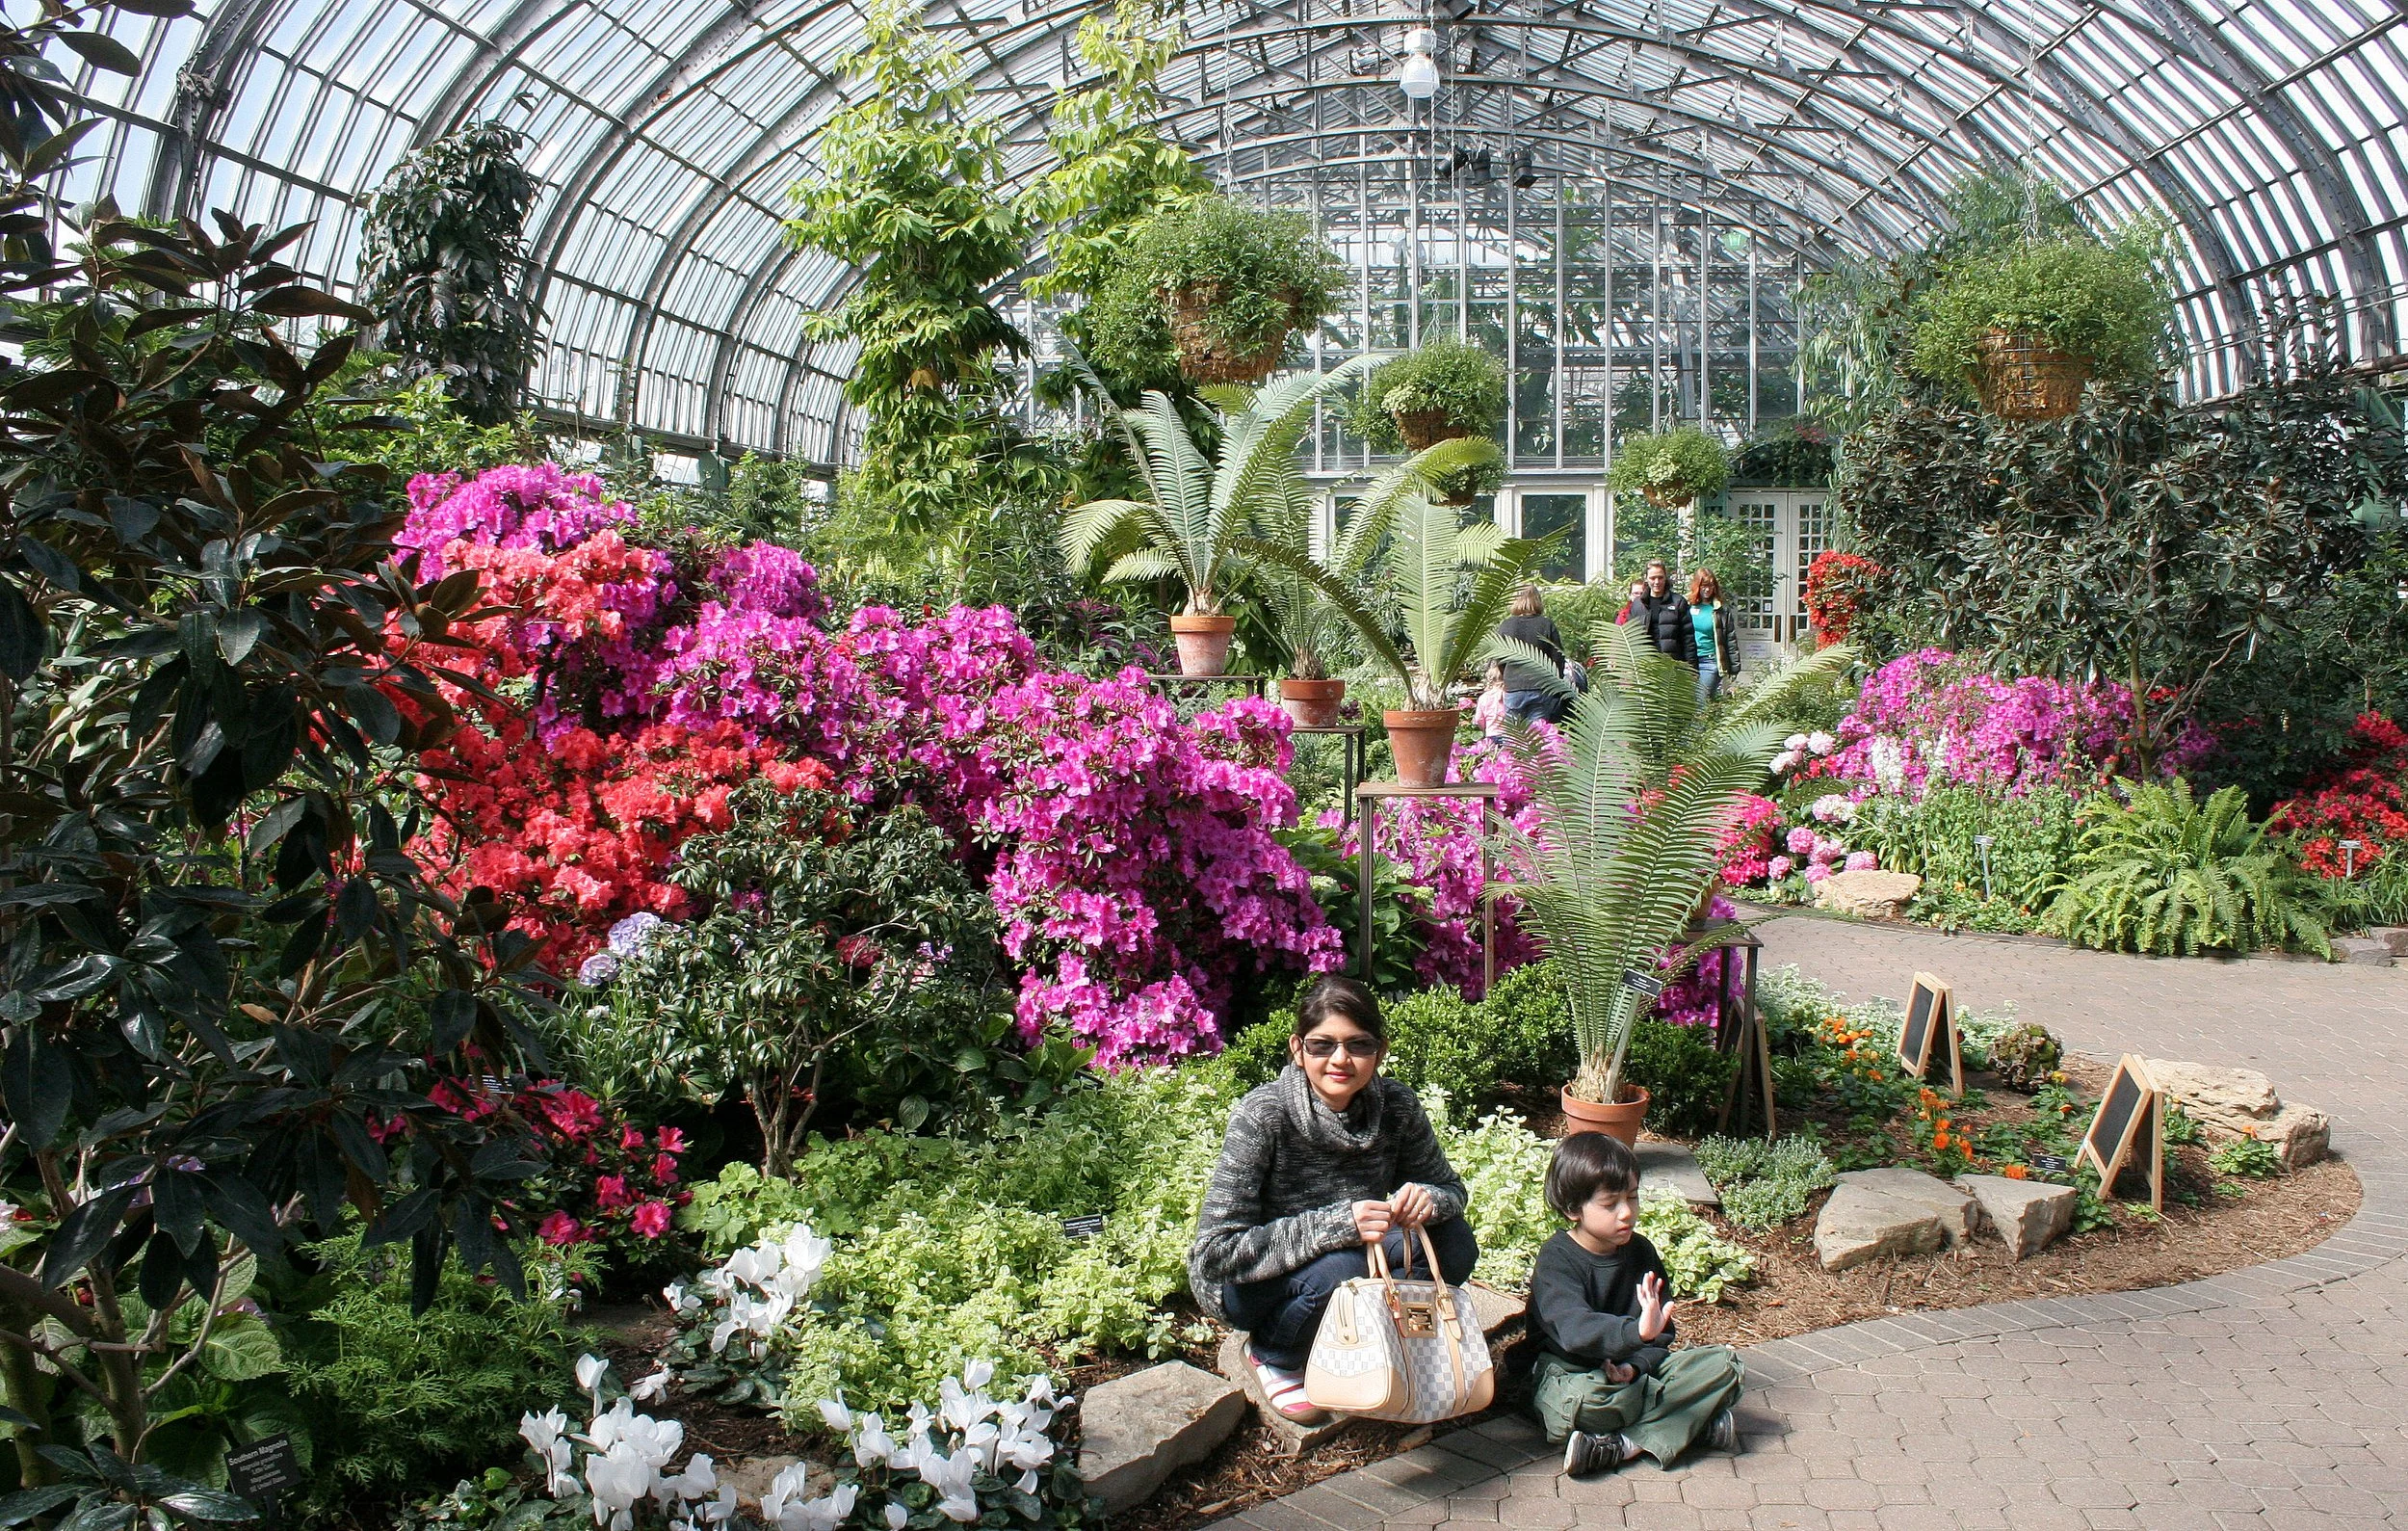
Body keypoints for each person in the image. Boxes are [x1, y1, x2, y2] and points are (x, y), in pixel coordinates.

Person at [1189, 977, 1479, 1426]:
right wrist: (1339, 1225)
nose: (1340, 1059)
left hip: (1350, 1255)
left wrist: (1428, 1200)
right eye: (1322, 1045)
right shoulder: (1264, 1115)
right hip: (1251, 1284)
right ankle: (1274, 1353)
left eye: (1357, 1045)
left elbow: (1450, 1190)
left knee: (1454, 1242)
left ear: (1379, 1052)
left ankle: (1379, 1331)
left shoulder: (1396, 1107)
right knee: (1343, 1271)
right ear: (1298, 1049)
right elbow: (1216, 1253)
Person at [1529, 1132, 1744, 1475]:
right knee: (1591, 1401)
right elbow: (1574, 1333)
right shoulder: (1557, 1259)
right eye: (1610, 1203)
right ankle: (1690, 1422)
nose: (1626, 1212)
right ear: (1573, 1209)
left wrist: (1635, 1365)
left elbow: (1660, 1335)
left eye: (1632, 1197)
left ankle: (1621, 1446)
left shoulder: (1641, 1251)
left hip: (1634, 1375)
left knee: (1725, 1365)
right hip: (1574, 1373)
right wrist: (1636, 1333)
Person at [1495, 585, 1567, 726]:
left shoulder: (1506, 625)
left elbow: (1500, 658)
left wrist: (1507, 677)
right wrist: (1556, 683)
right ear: (1537, 601)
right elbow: (1557, 658)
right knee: (1538, 735)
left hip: (1514, 686)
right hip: (1541, 687)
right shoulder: (1546, 624)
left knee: (1516, 737)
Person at [1687, 568, 1741, 703]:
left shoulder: (1720, 610)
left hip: (1710, 661)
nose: (1707, 589)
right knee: (1688, 703)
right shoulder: (1687, 606)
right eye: (1704, 586)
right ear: (1697, 586)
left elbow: (1730, 638)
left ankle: (1701, 725)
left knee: (1701, 701)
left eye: (1710, 585)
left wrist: (1734, 667)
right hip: (1690, 662)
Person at [1632, 560, 1696, 665]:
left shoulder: (1678, 602)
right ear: (1646, 579)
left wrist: (1692, 668)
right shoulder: (1638, 604)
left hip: (1671, 666)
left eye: (1660, 577)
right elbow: (1631, 637)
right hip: (1645, 666)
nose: (1657, 582)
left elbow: (1688, 639)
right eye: (1653, 578)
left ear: (1665, 578)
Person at [1474, 660, 1510, 741]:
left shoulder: (1483, 698)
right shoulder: (1507, 695)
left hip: (1491, 733)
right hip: (1508, 734)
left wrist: (1484, 729)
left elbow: (1479, 719)